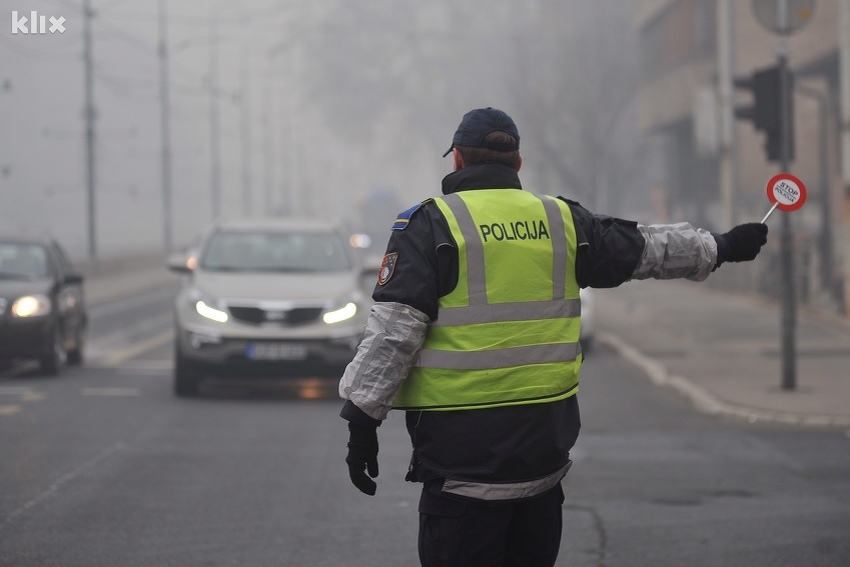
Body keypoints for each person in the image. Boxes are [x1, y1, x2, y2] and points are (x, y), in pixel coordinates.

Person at [338, 107, 768, 567]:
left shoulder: (429, 225)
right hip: (541, 464)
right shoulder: (561, 220)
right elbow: (644, 248)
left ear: (458, 160)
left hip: (461, 468)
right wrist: (721, 246)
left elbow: (392, 335)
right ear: (517, 164)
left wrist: (362, 422)